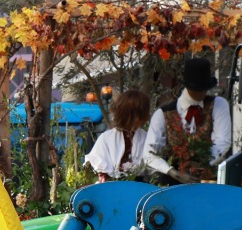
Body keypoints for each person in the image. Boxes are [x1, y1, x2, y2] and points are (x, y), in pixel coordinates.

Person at [144, 56, 231, 184]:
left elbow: (223, 141)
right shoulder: (162, 114)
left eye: (204, 88)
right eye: (197, 88)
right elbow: (149, 155)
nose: (202, 92)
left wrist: (203, 163)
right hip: (173, 186)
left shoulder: (218, 104)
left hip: (209, 185)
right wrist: (173, 172)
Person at [85, 89, 153, 180]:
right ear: (125, 113)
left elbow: (152, 166)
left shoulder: (147, 138)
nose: (137, 119)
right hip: (112, 187)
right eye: (135, 115)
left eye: (140, 115)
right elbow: (98, 165)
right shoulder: (106, 138)